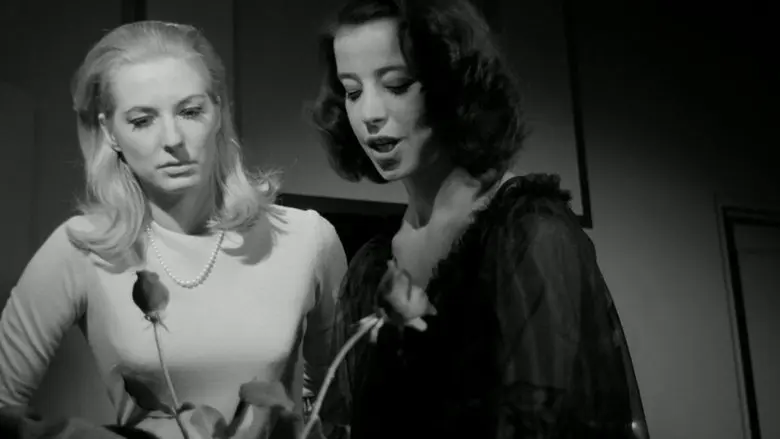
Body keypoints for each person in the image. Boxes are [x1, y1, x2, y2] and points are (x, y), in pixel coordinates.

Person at [309, 0, 650, 438]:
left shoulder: (528, 236)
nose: (369, 113)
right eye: (352, 92)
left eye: (397, 85)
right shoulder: (370, 272)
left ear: (452, 84)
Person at [0, 20, 347, 439]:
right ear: (110, 132)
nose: (172, 138)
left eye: (190, 111)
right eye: (142, 120)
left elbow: (337, 404)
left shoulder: (307, 239)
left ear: (219, 111)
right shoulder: (83, 247)